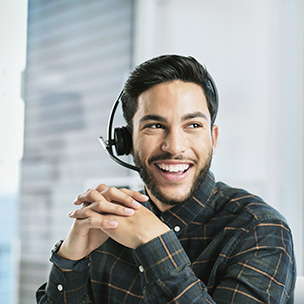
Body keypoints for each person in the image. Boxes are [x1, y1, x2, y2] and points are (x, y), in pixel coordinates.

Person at [36, 54, 296, 303]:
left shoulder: (260, 229)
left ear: (213, 139)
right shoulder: (109, 223)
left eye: (193, 125)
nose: (174, 146)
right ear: (126, 141)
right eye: (155, 126)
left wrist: (154, 242)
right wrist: (70, 259)